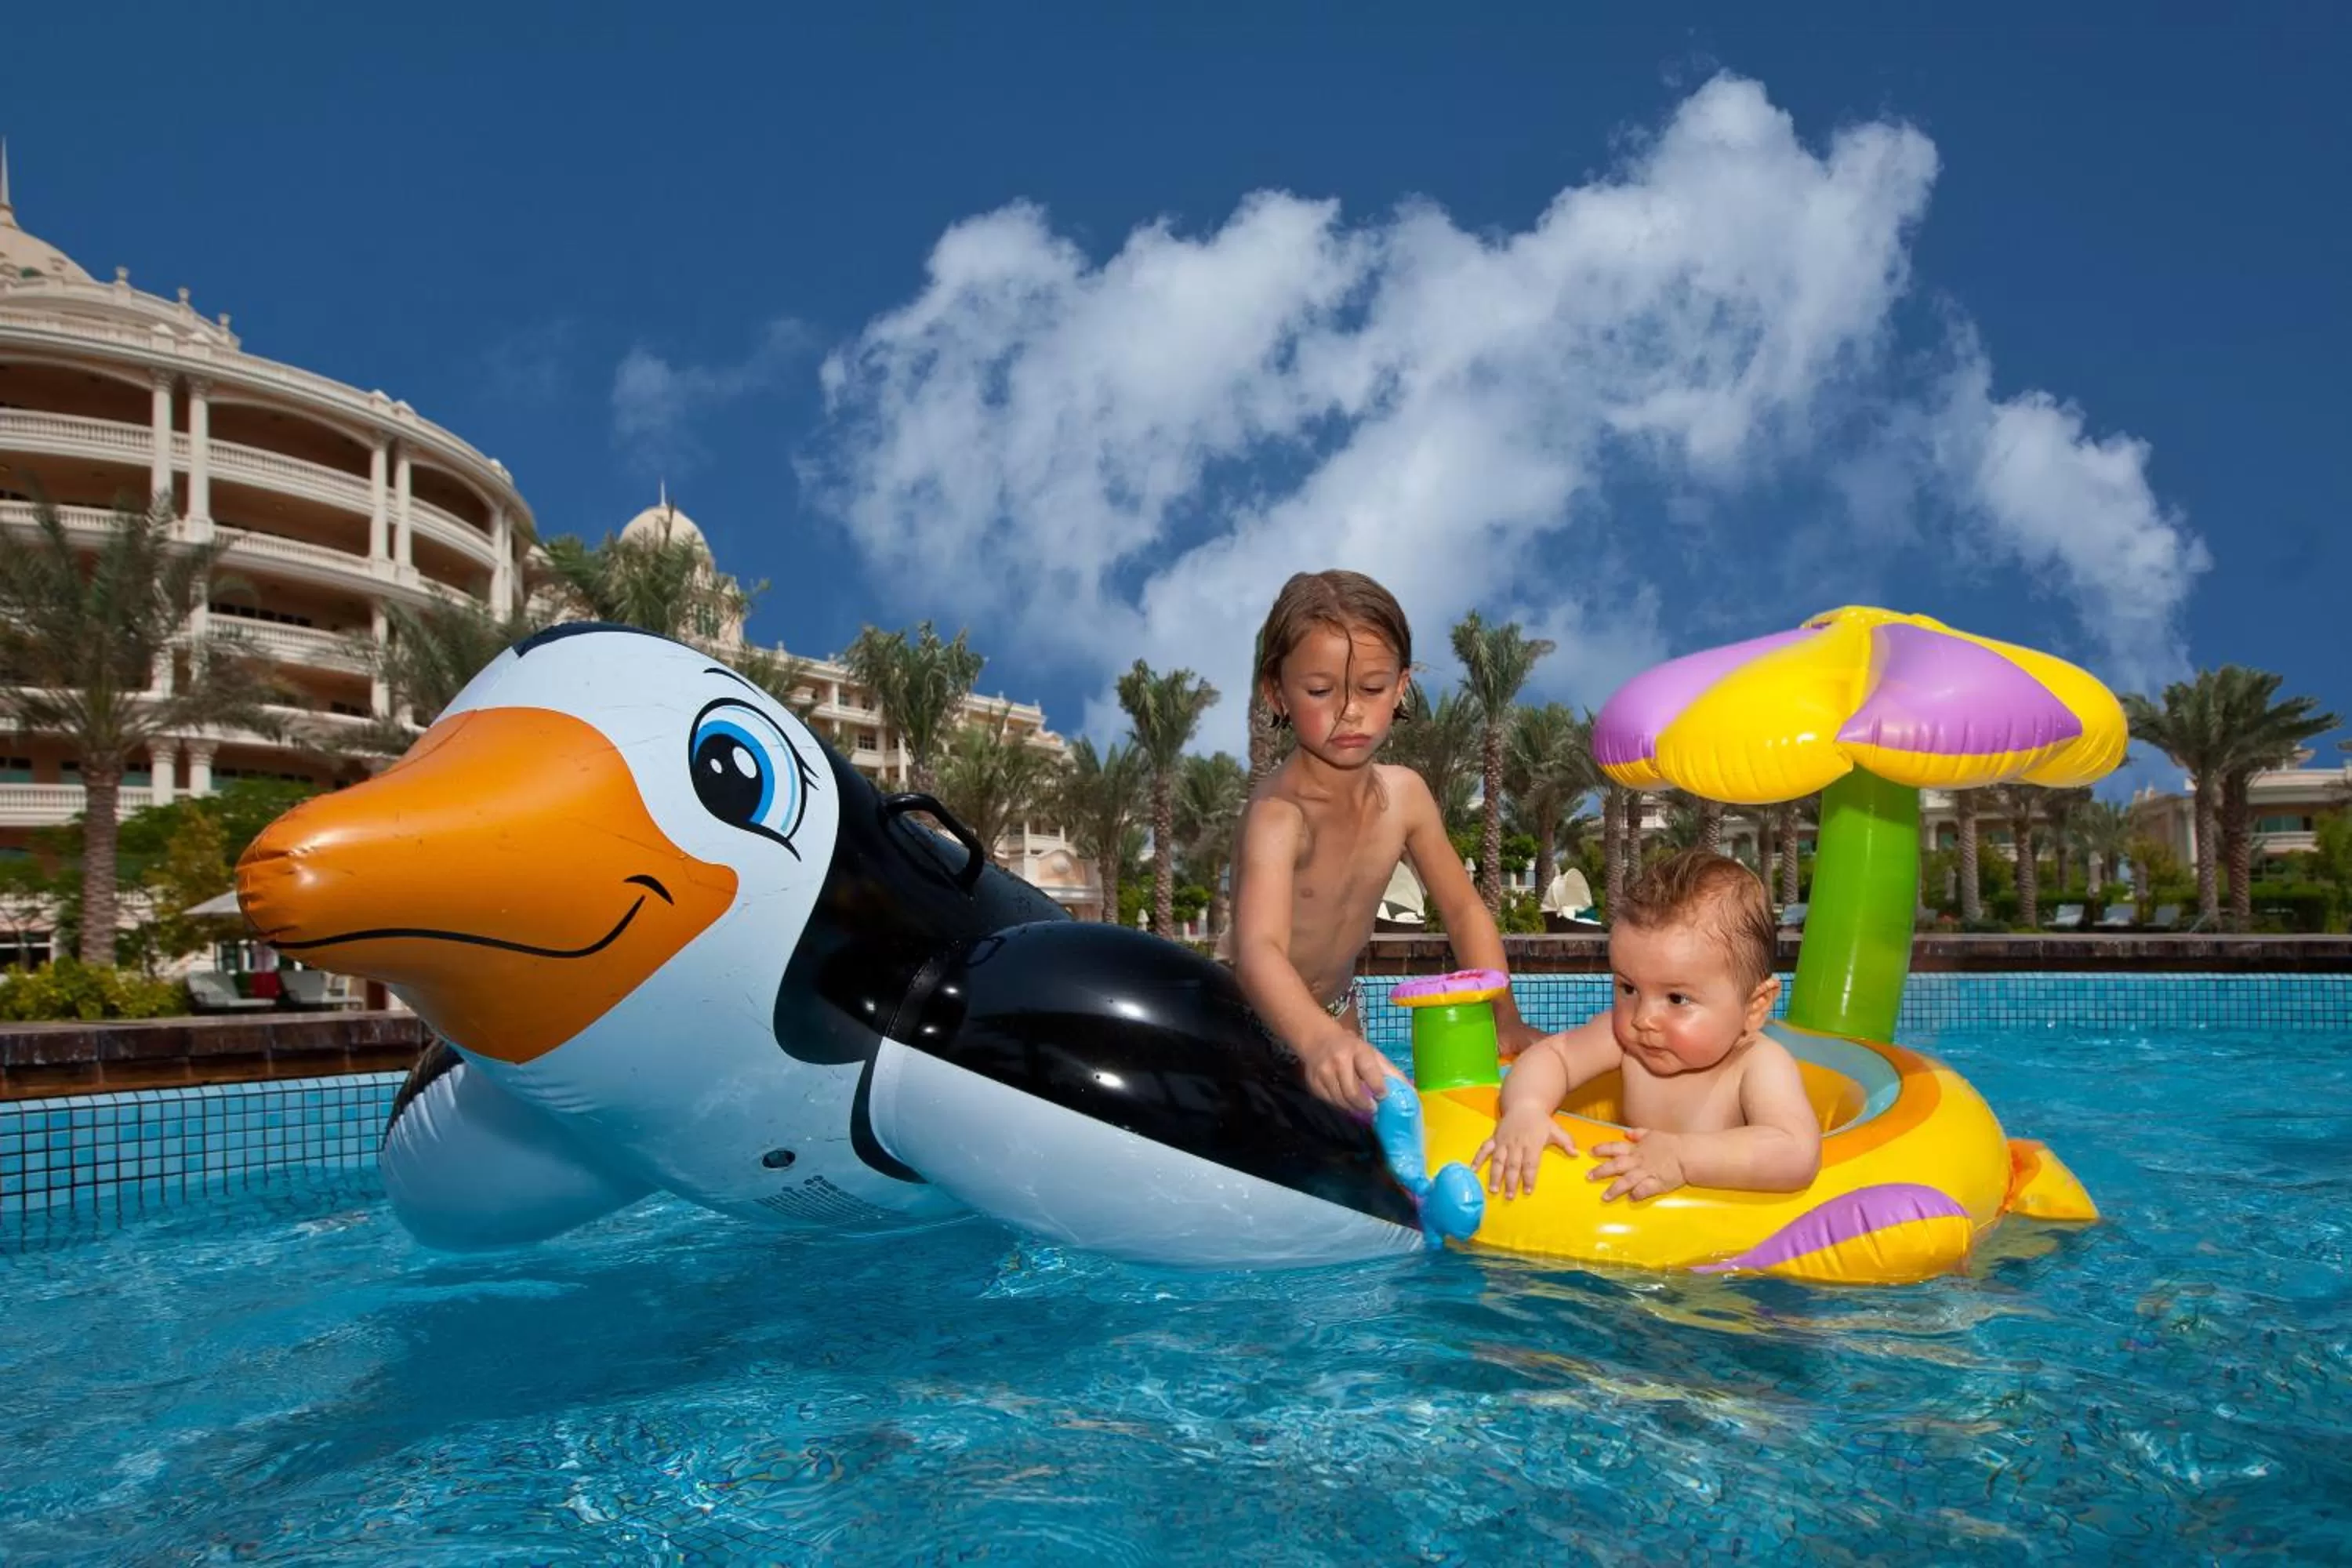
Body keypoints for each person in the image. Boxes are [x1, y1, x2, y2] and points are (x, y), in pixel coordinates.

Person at [1230, 570, 1540, 1113]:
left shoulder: (1405, 797)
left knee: (1370, 1150)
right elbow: (1259, 950)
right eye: (1320, 691)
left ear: (1400, 687)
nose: (1350, 711)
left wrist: (1504, 1017)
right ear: (1276, 693)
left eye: (1372, 689)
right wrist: (1319, 1042)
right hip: (1254, 1028)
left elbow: (1464, 911)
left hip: (1338, 1016)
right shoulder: (1278, 816)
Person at [1474, 849, 1822, 1203]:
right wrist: (1527, 1108)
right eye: (1628, 988)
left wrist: (1682, 1158)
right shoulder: (1622, 1040)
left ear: (1755, 1006)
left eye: (1676, 999)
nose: (1642, 1018)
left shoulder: (1757, 1064)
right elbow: (1552, 1056)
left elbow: (1796, 1152)